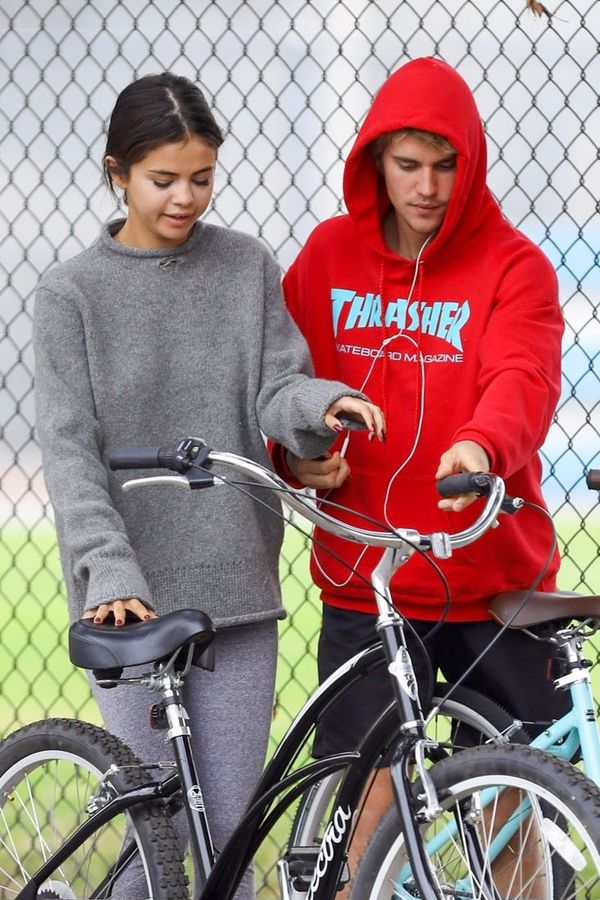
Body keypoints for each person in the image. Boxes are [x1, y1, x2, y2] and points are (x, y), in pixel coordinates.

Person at [33, 72, 385, 900]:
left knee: (229, 833)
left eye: (201, 177)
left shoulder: (244, 267)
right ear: (117, 172)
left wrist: (322, 405)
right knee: (151, 840)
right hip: (133, 601)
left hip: (236, 587)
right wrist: (108, 574)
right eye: (164, 180)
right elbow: (70, 454)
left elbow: (277, 387)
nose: (185, 197)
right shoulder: (70, 295)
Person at [270, 56, 569, 892]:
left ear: (470, 162)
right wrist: (295, 455)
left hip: (492, 577)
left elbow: (524, 378)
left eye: (446, 165)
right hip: (369, 578)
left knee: (511, 801)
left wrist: (480, 449)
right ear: (375, 162)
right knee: (369, 796)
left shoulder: (516, 267)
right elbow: (281, 385)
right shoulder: (327, 259)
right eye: (408, 165)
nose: (428, 186)